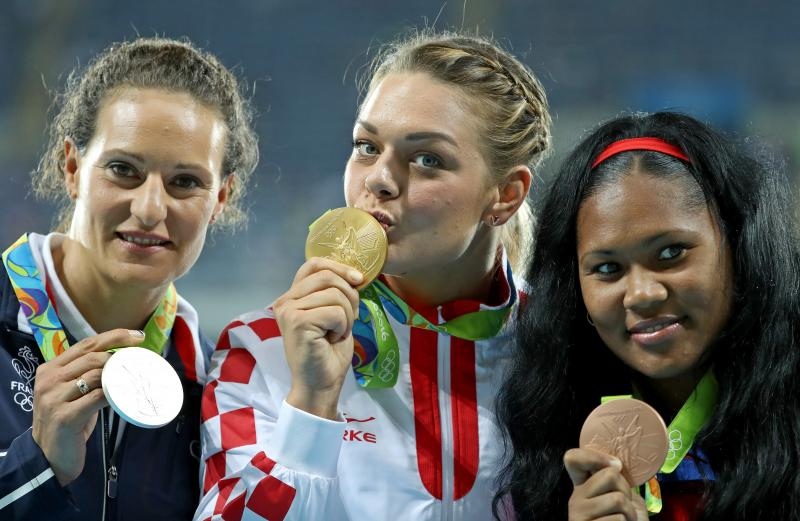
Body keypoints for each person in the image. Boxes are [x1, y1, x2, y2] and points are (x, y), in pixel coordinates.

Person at [195, 30, 551, 521]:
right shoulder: (263, 348)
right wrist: (311, 403)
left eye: (427, 159)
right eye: (366, 147)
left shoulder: (562, 347)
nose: (378, 179)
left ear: (506, 194)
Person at [0, 37, 258, 519]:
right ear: (72, 167)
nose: (150, 208)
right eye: (123, 170)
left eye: (185, 182)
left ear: (221, 198)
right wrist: (36, 465)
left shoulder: (217, 386)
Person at [495, 111, 800, 520]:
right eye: (607, 268)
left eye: (672, 253)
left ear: (739, 246)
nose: (642, 294)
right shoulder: (548, 430)